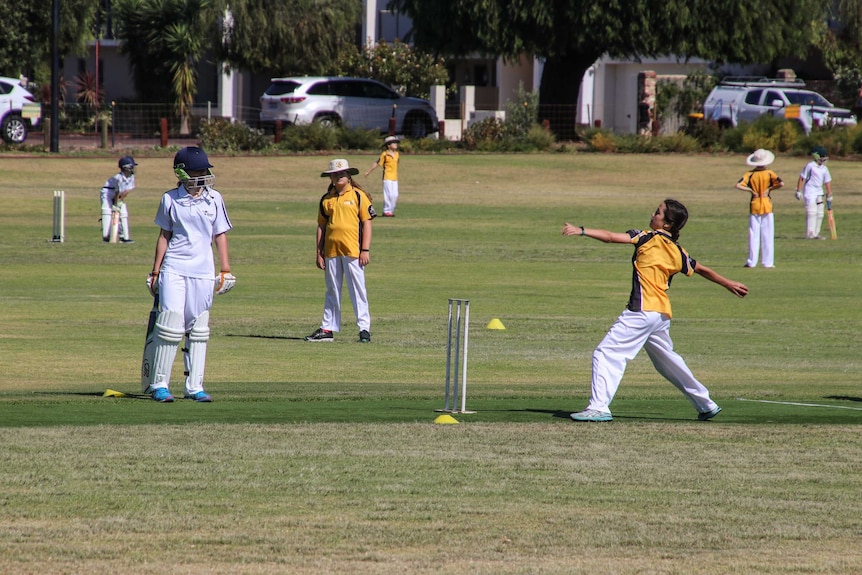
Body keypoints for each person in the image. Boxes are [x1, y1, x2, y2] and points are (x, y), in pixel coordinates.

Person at [562, 199, 749, 422]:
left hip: (641, 311)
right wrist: (728, 283)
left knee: (606, 354)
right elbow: (701, 269)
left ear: (667, 224)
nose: (653, 213)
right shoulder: (677, 250)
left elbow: (611, 237)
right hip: (660, 315)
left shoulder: (645, 237)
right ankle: (706, 404)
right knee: (668, 362)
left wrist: (581, 231)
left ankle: (599, 407)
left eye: (658, 212)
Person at [144, 147, 236, 403]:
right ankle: (159, 384)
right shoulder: (170, 199)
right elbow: (164, 236)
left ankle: (194, 386)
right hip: (174, 267)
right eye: (197, 171)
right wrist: (155, 272)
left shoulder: (214, 199)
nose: (203, 175)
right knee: (171, 322)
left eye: (204, 170)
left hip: (203, 271)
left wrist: (225, 269)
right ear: (181, 172)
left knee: (198, 328)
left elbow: (220, 234)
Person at [305, 159, 376, 343]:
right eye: (334, 174)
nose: (338, 177)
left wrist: (365, 249)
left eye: (341, 174)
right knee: (332, 290)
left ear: (348, 176)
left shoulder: (358, 196)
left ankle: (364, 329)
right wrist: (319, 252)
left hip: (353, 250)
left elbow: (367, 222)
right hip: (331, 251)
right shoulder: (326, 199)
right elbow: (321, 226)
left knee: (357, 290)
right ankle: (328, 328)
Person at [735, 148, 783, 268]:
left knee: (753, 234)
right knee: (768, 234)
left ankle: (752, 261)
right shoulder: (770, 173)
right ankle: (768, 262)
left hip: (755, 204)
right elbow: (781, 183)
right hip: (767, 204)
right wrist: (769, 189)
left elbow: (738, 185)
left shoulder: (750, 174)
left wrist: (751, 190)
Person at [795, 146, 832, 239]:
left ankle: (816, 233)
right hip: (810, 192)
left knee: (820, 213)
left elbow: (827, 181)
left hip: (819, 192)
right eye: (822, 156)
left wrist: (829, 194)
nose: (824, 159)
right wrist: (798, 190)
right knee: (812, 212)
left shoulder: (824, 168)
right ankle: (810, 233)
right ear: (816, 156)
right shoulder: (810, 165)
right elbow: (801, 177)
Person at [100, 156, 137, 243]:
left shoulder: (131, 177)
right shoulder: (118, 178)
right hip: (107, 193)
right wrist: (115, 205)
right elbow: (117, 192)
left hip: (118, 195)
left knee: (123, 213)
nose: (133, 169)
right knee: (107, 212)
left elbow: (127, 190)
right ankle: (106, 236)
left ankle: (124, 237)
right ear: (126, 167)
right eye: (132, 167)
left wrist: (119, 202)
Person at [364, 135, 400, 217]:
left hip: (395, 178)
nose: (395, 144)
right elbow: (377, 163)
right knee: (389, 194)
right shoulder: (384, 154)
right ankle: (386, 211)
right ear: (388, 145)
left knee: (395, 195)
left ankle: (391, 210)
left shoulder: (397, 154)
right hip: (387, 177)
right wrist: (368, 171)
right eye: (393, 143)